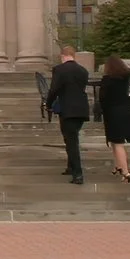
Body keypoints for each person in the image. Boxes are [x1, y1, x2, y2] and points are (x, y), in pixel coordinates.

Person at [45, 47, 91, 183]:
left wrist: (48, 104)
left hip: (67, 109)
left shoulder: (59, 70)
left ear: (63, 56)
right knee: (71, 137)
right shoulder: (83, 70)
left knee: (71, 141)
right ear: (73, 55)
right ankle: (71, 167)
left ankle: (78, 174)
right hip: (81, 108)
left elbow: (54, 89)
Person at [96, 55, 130, 181]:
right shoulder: (126, 78)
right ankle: (118, 166)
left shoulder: (107, 80)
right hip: (126, 111)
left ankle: (125, 172)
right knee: (115, 141)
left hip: (113, 113)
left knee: (117, 143)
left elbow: (103, 98)